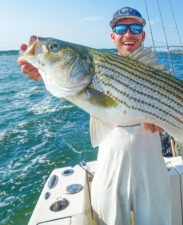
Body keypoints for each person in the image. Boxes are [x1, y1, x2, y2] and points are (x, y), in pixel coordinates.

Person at [18, 6, 172, 225]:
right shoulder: (92, 67)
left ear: (143, 35)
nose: (128, 34)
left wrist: (162, 120)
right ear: (113, 36)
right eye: (121, 28)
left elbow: (175, 118)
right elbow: (70, 86)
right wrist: (44, 72)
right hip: (110, 160)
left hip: (151, 164)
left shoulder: (160, 74)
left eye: (135, 28)